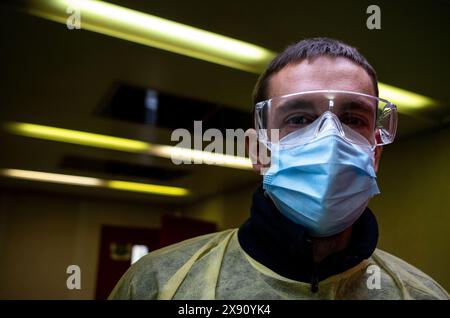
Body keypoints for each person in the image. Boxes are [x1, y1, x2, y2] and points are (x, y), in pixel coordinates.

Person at [108, 37, 450, 300]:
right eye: (299, 119)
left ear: (375, 152)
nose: (330, 139)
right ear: (258, 150)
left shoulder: (421, 294)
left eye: (352, 119)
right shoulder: (158, 284)